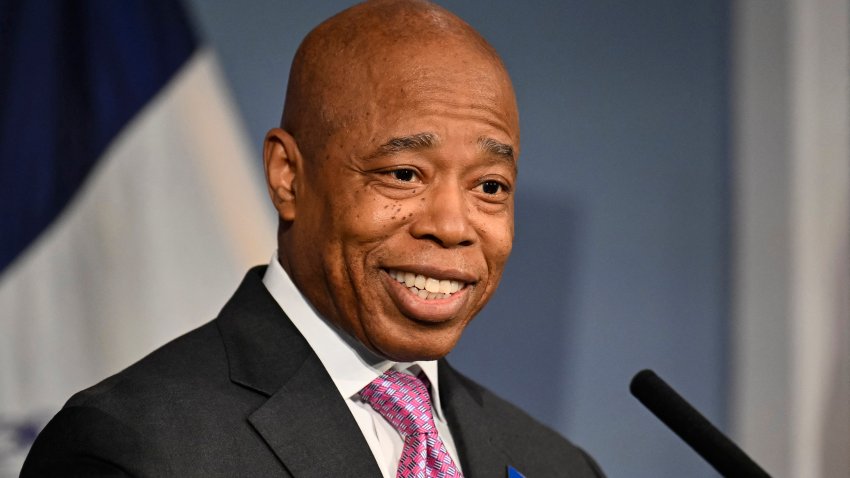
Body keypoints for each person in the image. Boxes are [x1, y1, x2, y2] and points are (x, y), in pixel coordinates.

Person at [22, 1, 605, 476]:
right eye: (404, 174)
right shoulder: (131, 449)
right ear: (289, 177)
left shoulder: (556, 465)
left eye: (491, 186)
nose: (452, 226)